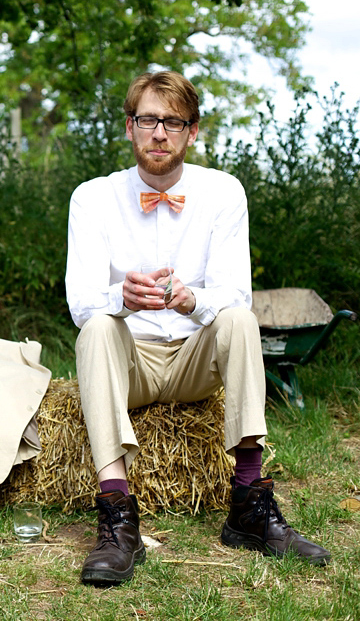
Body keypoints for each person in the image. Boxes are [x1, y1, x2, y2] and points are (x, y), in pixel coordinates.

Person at [65, 71, 330, 585]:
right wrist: (118, 298)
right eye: (147, 120)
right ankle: (118, 517)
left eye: (172, 122)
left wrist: (192, 300)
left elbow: (236, 296)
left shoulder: (223, 192)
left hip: (194, 358)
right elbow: (80, 303)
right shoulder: (92, 197)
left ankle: (249, 504)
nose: (158, 133)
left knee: (238, 318)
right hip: (131, 362)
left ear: (192, 131)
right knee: (96, 327)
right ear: (128, 127)